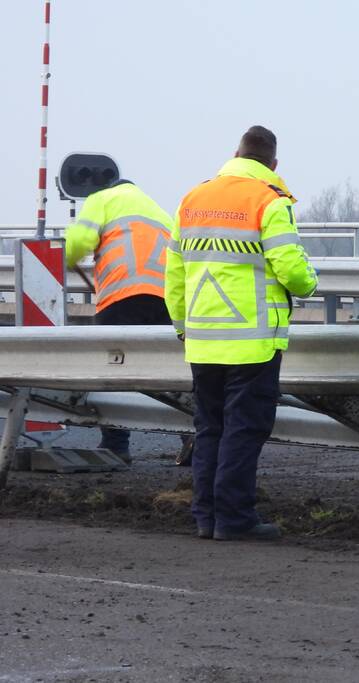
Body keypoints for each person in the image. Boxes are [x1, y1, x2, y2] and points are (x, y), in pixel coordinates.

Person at [164, 125, 318, 541]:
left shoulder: (193, 199)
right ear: (273, 164)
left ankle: (206, 517)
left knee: (210, 428)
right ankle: (234, 519)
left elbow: (174, 275)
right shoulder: (268, 201)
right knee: (243, 430)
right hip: (252, 340)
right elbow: (292, 271)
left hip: (201, 339)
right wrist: (310, 282)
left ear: (235, 154)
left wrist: (182, 328)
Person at [64, 172, 174, 462]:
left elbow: (79, 241)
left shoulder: (102, 199)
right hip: (166, 298)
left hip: (121, 295)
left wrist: (68, 256)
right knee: (170, 375)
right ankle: (191, 438)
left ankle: (116, 444)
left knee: (114, 369)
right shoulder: (161, 212)